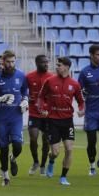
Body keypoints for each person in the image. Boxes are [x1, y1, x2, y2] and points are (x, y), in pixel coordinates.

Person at [37, 57, 85, 186]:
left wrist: (81, 110)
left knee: (69, 149)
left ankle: (63, 177)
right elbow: (41, 97)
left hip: (67, 120)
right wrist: (41, 108)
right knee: (55, 152)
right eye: (57, 65)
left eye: (59, 65)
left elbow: (81, 101)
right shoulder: (49, 81)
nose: (57, 67)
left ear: (67, 67)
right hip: (52, 120)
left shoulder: (74, 84)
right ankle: (51, 161)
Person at [0, 50, 29, 187]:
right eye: (8, 62)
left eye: (13, 61)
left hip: (16, 117)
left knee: (17, 145)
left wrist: (26, 101)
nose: (11, 64)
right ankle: (5, 175)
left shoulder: (21, 76)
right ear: (3, 62)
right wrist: (0, 99)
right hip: (1, 118)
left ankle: (14, 158)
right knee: (3, 147)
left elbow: (25, 91)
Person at [78, 44, 99, 176]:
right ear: (91, 55)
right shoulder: (84, 71)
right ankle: (92, 166)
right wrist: (82, 100)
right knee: (91, 141)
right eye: (98, 54)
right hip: (91, 111)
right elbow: (79, 89)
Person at [26, 54, 53, 176]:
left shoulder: (52, 77)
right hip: (34, 112)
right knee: (33, 138)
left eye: (47, 62)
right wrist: (27, 98)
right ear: (37, 63)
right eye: (43, 62)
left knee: (46, 141)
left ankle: (43, 165)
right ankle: (35, 161)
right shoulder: (29, 77)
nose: (46, 64)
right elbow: (23, 91)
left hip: (47, 113)